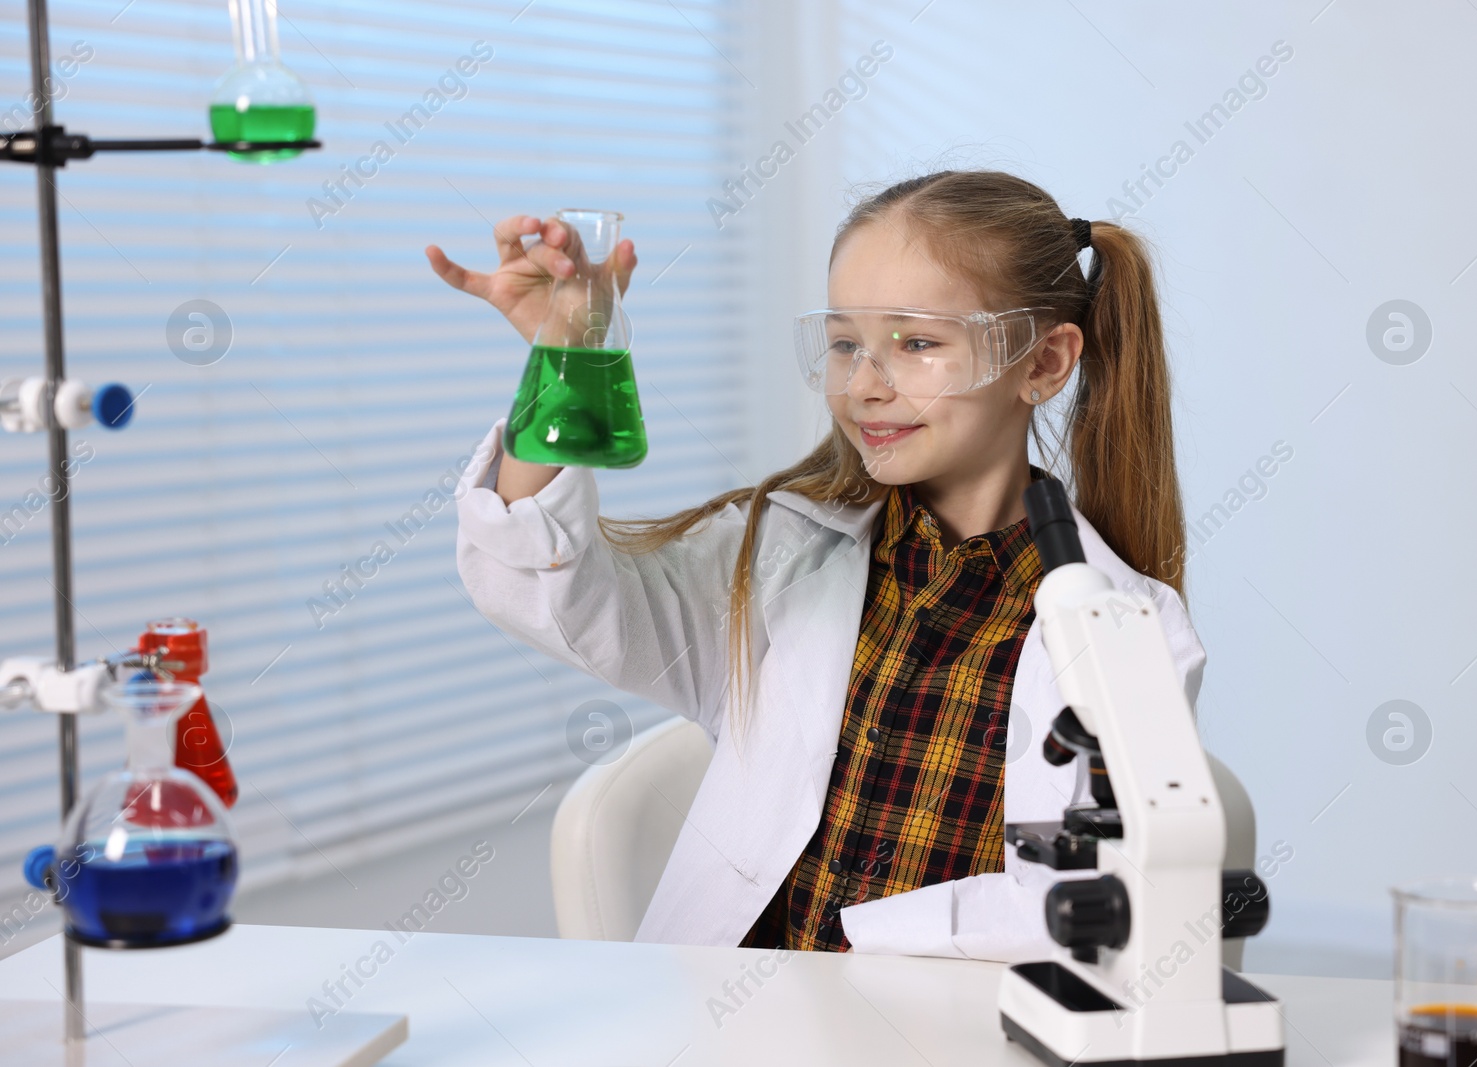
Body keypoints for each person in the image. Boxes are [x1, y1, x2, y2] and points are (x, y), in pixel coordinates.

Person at [428, 169, 1205, 962]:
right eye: (844, 344)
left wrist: (855, 941)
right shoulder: (775, 560)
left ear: (1042, 363)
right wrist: (565, 351)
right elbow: (549, 587)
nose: (865, 385)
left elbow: (1081, 910)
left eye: (917, 343)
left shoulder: (1121, 627)